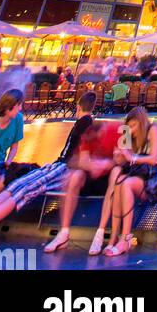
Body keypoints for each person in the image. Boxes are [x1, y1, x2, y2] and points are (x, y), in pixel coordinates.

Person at [0, 91, 95, 230]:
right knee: (21, 188)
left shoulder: (84, 122)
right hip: (60, 166)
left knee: (21, 187)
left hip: (60, 167)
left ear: (78, 107)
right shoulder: (85, 123)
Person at [94, 107, 157, 256]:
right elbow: (122, 161)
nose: (131, 130)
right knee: (119, 180)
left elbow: (153, 159)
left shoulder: (154, 129)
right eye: (129, 126)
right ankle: (113, 237)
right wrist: (121, 149)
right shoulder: (132, 135)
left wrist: (131, 158)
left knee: (126, 184)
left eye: (133, 126)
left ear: (141, 123)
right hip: (146, 173)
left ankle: (125, 239)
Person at [44, 100, 119, 252]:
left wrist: (106, 163)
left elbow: (123, 159)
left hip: (109, 180)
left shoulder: (118, 130)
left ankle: (100, 232)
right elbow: (81, 161)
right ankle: (64, 232)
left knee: (116, 175)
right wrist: (92, 165)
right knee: (74, 176)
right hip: (92, 178)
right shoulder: (87, 135)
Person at [0, 90, 25, 199]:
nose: (20, 108)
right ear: (8, 107)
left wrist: (8, 162)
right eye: (18, 105)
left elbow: (14, 146)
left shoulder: (18, 119)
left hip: (0, 163)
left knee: (5, 180)